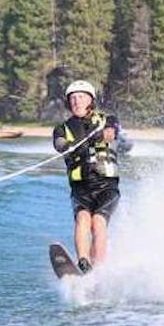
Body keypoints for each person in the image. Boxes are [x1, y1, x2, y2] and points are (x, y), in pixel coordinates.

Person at [53, 80, 120, 274]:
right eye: (72, 98)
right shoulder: (62, 128)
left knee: (98, 222)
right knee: (83, 219)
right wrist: (67, 147)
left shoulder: (107, 119)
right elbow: (59, 143)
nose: (76, 101)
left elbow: (111, 133)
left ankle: (98, 270)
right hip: (81, 187)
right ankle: (83, 262)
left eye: (81, 97)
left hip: (106, 185)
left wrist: (96, 136)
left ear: (91, 100)